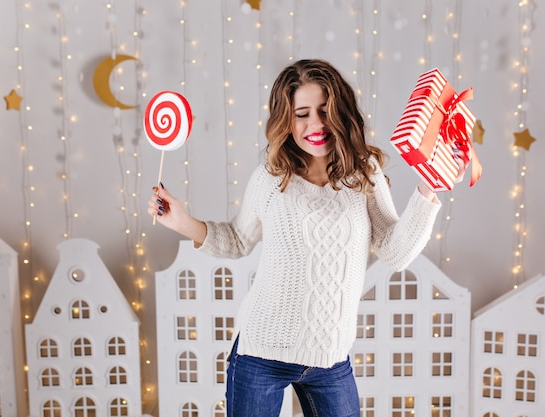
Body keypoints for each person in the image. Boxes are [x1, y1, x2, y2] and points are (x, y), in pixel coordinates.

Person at [148, 59, 459, 417]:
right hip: (262, 354)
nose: (316, 124)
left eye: (325, 111)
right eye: (303, 114)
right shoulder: (270, 178)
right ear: (286, 120)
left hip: (330, 359)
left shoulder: (364, 174)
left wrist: (428, 188)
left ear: (341, 113)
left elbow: (396, 252)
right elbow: (236, 239)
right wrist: (183, 221)